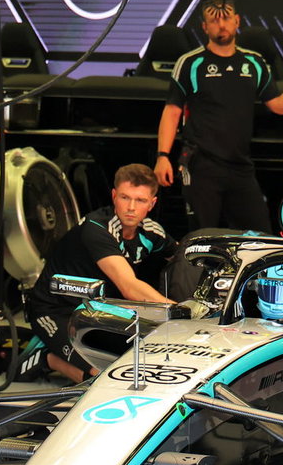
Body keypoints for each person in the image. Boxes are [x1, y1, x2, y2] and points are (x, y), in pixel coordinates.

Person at [154, 0, 283, 232]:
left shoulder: (253, 62)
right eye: (214, 21)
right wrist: (163, 155)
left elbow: (278, 105)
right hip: (201, 166)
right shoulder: (190, 63)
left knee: (260, 236)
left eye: (226, 18)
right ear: (205, 27)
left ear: (237, 21)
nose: (221, 25)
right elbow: (172, 111)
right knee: (200, 238)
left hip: (240, 167)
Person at [26, 163, 176, 382]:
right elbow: (129, 287)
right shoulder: (96, 227)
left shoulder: (152, 232)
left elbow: (184, 258)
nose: (131, 207)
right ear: (114, 196)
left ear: (152, 203)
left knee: (136, 363)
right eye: (125, 198)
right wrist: (179, 312)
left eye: (140, 200)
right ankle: (46, 358)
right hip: (54, 309)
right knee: (104, 378)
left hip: (97, 311)